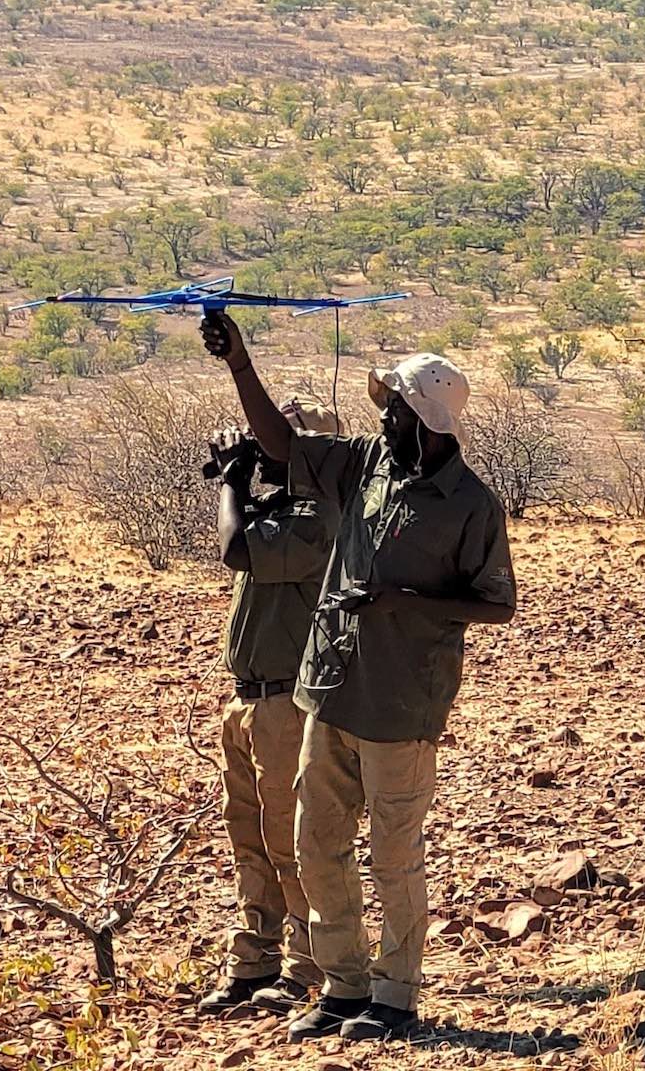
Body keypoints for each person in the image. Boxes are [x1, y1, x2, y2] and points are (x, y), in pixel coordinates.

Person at [199, 309, 515, 1045]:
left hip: (401, 704)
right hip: (329, 689)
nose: (385, 418)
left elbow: (496, 604)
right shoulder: (368, 463)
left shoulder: (471, 505)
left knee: (395, 859)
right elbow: (284, 446)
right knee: (316, 843)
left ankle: (396, 996)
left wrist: (405, 602)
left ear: (427, 422)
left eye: (396, 410)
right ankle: (343, 986)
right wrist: (239, 362)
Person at [197, 399, 340, 1018]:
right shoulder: (281, 511)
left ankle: (307, 965)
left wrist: (233, 480)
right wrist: (245, 477)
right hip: (248, 700)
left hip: (287, 702)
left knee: (290, 839)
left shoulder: (318, 518)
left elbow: (236, 547)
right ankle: (253, 960)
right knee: (248, 838)